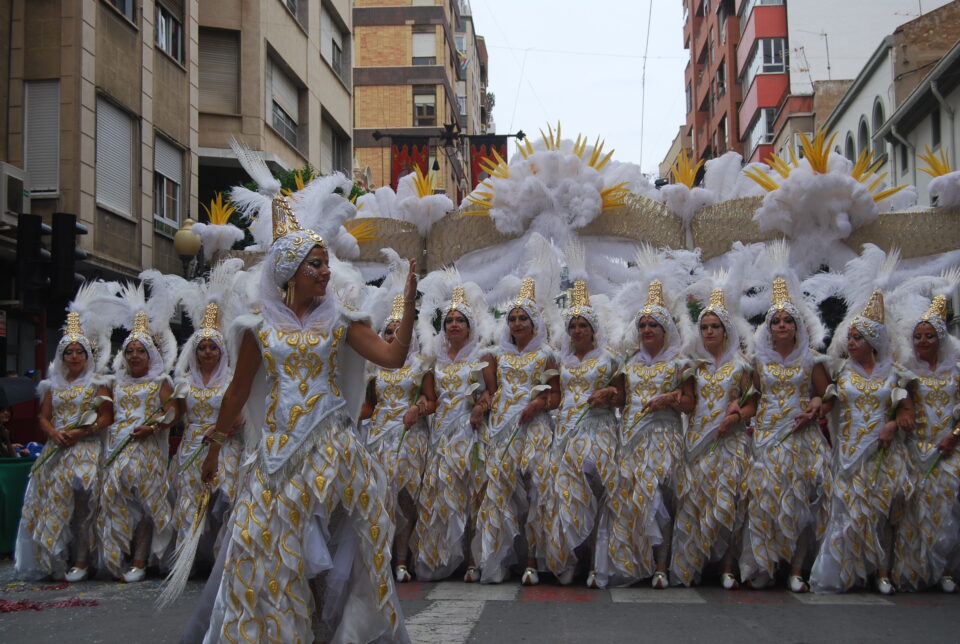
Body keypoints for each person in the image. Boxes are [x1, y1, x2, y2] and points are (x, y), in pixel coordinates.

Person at [198, 196, 412, 642]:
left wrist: (409, 305)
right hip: (277, 453)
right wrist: (214, 448)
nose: (326, 272)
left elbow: (392, 358)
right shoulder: (258, 328)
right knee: (262, 540)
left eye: (326, 263)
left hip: (331, 448)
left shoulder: (342, 322)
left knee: (333, 542)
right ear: (289, 271)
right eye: (315, 264)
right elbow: (237, 391)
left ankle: (328, 629)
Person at [810, 289, 917, 594]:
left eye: (858, 338)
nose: (852, 343)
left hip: (883, 452)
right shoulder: (841, 371)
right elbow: (828, 401)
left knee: (880, 512)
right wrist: (817, 405)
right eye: (851, 338)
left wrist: (893, 424)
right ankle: (845, 572)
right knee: (847, 513)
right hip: (848, 455)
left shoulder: (895, 375)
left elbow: (908, 412)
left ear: (873, 342)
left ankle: (881, 573)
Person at [15, 284, 114, 581]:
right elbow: (43, 417)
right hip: (57, 448)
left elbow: (107, 416)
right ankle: (54, 557)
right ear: (62, 356)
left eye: (79, 351)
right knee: (52, 502)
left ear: (87, 354)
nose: (74, 356)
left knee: (84, 504)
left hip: (86, 449)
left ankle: (82, 560)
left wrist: (83, 431)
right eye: (68, 352)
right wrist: (54, 433)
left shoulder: (98, 382)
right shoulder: (53, 385)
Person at [740, 273, 830, 592]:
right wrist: (738, 411)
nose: (781, 325)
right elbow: (753, 400)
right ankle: (765, 565)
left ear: (797, 326)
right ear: (768, 327)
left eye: (787, 320)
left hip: (801, 438)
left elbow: (827, 395)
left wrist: (816, 405)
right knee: (765, 501)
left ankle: (796, 569)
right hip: (767, 438)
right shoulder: (757, 362)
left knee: (800, 504)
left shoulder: (812, 360)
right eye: (776, 321)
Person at [603, 279, 690, 589]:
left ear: (666, 330)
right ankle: (639, 560)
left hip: (664, 437)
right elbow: (621, 400)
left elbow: (690, 403)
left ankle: (662, 565)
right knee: (634, 500)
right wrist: (607, 394)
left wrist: (671, 399)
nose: (647, 329)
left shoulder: (680, 364)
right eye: (642, 325)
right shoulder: (629, 364)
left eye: (654, 325)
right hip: (632, 439)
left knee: (659, 498)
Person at [670, 284, 755, 589]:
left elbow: (752, 404)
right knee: (694, 503)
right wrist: (674, 399)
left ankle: (728, 566)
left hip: (730, 443)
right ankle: (693, 564)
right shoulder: (694, 366)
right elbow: (688, 404)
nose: (709, 332)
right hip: (697, 443)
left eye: (714, 326)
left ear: (726, 330)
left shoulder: (742, 365)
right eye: (704, 327)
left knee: (728, 504)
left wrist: (737, 415)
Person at [476, 276, 559, 585]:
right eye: (512, 318)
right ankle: (499, 560)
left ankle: (533, 561)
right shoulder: (495, 356)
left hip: (535, 427)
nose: (517, 323)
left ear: (534, 322)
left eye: (523, 318)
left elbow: (556, 396)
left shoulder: (547, 355)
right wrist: (482, 403)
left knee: (538, 490)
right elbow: (489, 392)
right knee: (500, 491)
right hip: (503, 428)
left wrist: (538, 404)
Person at [98, 283, 180, 583]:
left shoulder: (160, 382)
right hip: (118, 447)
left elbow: (173, 412)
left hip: (147, 448)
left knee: (148, 504)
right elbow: (106, 416)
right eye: (130, 351)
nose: (134, 356)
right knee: (115, 499)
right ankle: (117, 554)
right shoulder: (114, 383)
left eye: (140, 351)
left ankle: (141, 559)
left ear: (150, 355)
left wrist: (153, 426)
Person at [413, 275, 492, 582]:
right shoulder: (435, 361)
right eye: (449, 321)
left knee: (474, 494)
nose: (454, 325)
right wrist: (420, 406)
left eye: (460, 320)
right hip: (443, 435)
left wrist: (481, 406)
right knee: (444, 494)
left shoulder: (483, 356)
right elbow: (431, 398)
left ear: (470, 326)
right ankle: (447, 556)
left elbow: (492, 392)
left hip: (471, 433)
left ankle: (473, 560)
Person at [546, 270, 623, 588]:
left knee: (599, 491)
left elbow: (623, 396)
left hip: (599, 430)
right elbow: (555, 396)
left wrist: (609, 393)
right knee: (567, 494)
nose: (577, 330)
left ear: (593, 329)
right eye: (573, 325)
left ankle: (597, 562)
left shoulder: (610, 360)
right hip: (567, 432)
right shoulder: (560, 361)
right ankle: (569, 559)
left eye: (583, 325)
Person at [168, 259, 245, 573]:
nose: (208, 352)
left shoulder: (232, 381)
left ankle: (222, 563)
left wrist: (219, 430)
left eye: (213, 347)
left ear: (222, 351)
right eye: (203, 347)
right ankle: (187, 562)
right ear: (195, 352)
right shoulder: (184, 382)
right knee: (189, 502)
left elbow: (241, 417)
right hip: (191, 447)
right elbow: (176, 416)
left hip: (225, 445)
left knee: (224, 498)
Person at [360, 292, 431, 584]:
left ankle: (403, 559)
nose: (392, 335)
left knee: (405, 497)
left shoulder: (421, 366)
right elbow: (369, 407)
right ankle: (382, 558)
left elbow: (432, 400)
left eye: (398, 331)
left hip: (409, 436)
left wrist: (417, 408)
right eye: (388, 331)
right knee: (380, 497)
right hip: (379, 438)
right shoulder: (375, 369)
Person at [893, 289, 960, 592]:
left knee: (947, 509)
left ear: (940, 339)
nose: (922, 341)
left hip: (949, 450)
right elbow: (897, 404)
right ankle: (914, 569)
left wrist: (953, 437)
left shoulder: (956, 373)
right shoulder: (906, 372)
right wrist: (903, 416)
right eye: (918, 336)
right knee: (914, 509)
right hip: (916, 449)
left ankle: (945, 570)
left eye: (929, 336)